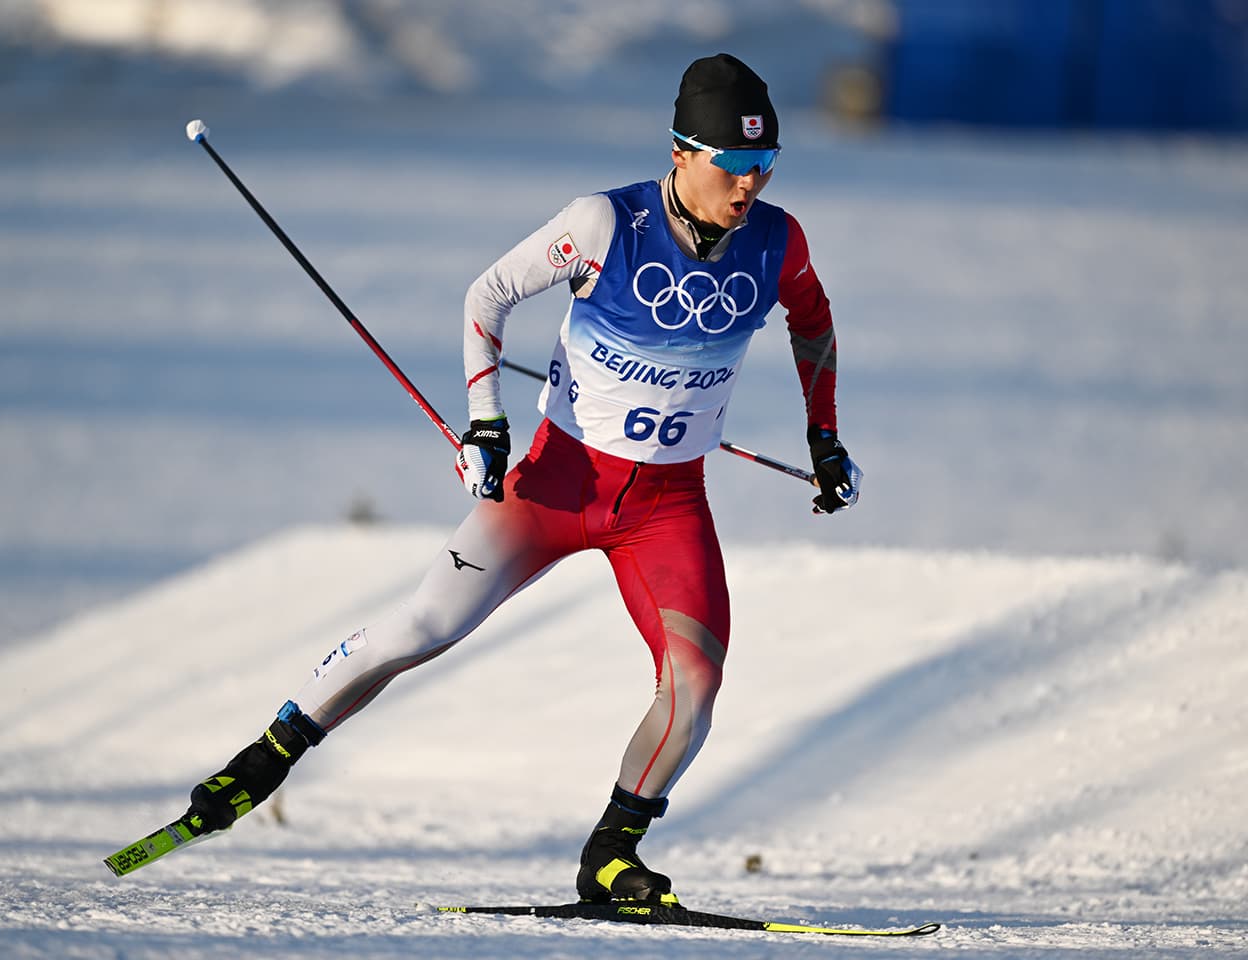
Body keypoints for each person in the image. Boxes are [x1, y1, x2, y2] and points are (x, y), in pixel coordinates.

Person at [181, 52, 861, 905]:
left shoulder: (777, 239)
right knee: (424, 627)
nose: (749, 185)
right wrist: (486, 421)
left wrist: (824, 437)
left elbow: (815, 320)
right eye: (732, 166)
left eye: (765, 166)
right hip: (555, 486)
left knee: (696, 684)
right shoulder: (606, 223)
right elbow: (487, 296)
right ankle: (264, 760)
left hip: (666, 506)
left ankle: (612, 855)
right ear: (683, 151)